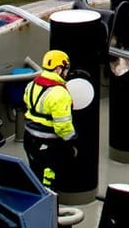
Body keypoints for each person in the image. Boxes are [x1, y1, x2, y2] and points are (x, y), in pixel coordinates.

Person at [21, 49, 77, 189]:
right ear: (58, 69)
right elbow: (62, 126)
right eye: (65, 69)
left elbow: (27, 103)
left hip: (29, 137)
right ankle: (50, 200)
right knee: (48, 178)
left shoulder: (32, 84)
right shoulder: (60, 93)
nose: (66, 72)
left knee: (35, 170)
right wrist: (73, 141)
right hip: (48, 143)